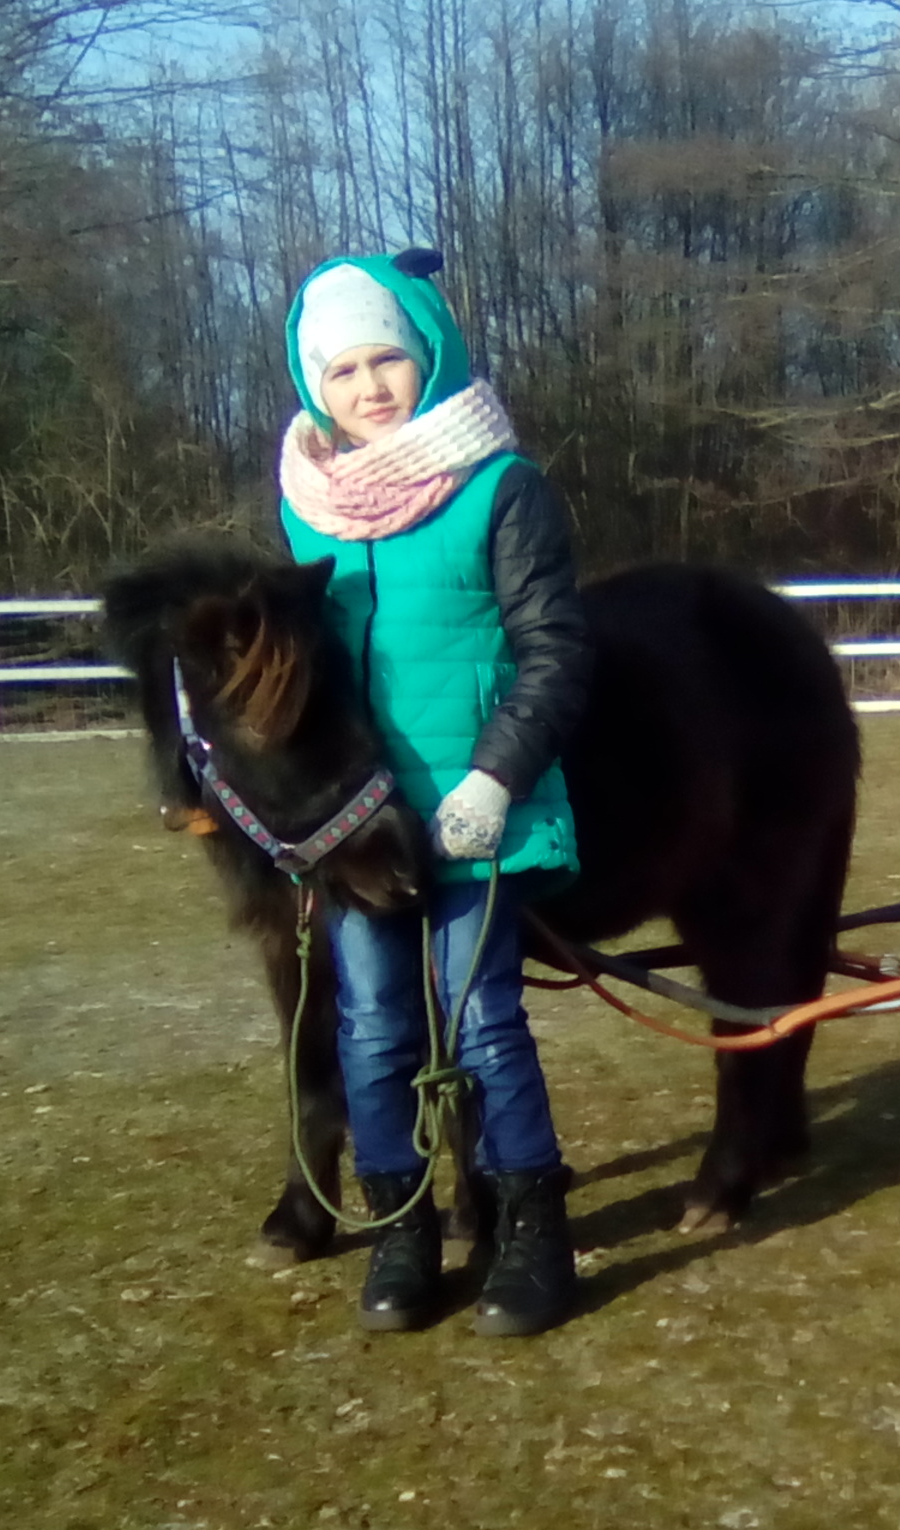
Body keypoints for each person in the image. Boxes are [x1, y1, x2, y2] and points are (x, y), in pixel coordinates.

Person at [275, 248, 590, 1336]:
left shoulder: (503, 488)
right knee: (369, 1030)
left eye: (387, 361)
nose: (369, 388)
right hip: (361, 830)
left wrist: (497, 777)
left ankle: (532, 1231)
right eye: (345, 370)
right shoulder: (308, 505)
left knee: (484, 1021)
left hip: (479, 814)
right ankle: (403, 1225)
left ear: (429, 356)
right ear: (316, 384)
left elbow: (555, 648)